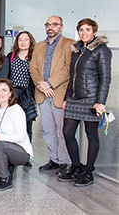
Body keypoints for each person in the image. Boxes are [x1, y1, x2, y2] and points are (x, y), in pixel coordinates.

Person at [58, 18, 111, 186]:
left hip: (91, 99)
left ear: (94, 31)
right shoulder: (77, 49)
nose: (84, 33)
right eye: (81, 30)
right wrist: (66, 98)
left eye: (88, 29)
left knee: (91, 135)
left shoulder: (101, 50)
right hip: (74, 98)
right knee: (67, 132)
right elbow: (71, 77)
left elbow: (105, 78)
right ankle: (76, 166)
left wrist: (100, 102)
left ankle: (88, 172)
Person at [29, 15, 74, 175]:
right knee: (47, 130)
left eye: (54, 24)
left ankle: (64, 162)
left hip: (58, 94)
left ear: (61, 27)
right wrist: (41, 84)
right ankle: (54, 159)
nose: (50, 27)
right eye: (48, 24)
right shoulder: (39, 46)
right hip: (42, 94)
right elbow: (33, 67)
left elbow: (68, 68)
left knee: (62, 131)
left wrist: (50, 83)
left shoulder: (69, 44)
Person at [0, 79, 33, 191]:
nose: (0, 93)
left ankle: (5, 178)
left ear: (10, 93)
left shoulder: (17, 110)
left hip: (21, 151)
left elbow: (20, 136)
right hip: (1, 147)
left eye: (4, 90)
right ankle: (7, 166)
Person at [7, 31, 37, 144]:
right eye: (20, 40)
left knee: (27, 126)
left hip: (27, 95)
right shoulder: (11, 56)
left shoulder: (34, 57)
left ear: (30, 41)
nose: (23, 42)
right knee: (12, 125)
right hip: (13, 95)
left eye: (26, 40)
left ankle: (27, 155)